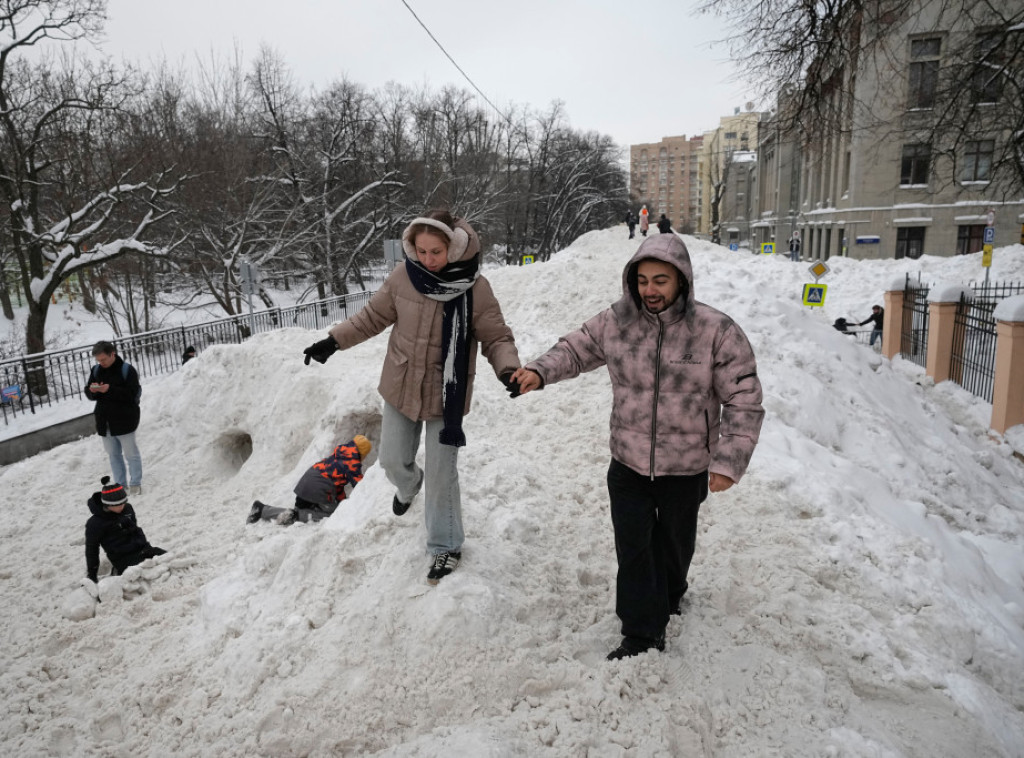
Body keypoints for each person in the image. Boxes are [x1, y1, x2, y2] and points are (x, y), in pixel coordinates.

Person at [511, 233, 764, 660]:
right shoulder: (617, 323)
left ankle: (671, 590)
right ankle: (642, 632)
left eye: (661, 280)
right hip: (627, 460)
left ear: (681, 280)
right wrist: (539, 371)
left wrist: (729, 460)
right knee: (634, 547)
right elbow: (575, 349)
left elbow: (743, 397)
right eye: (643, 280)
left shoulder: (715, 331)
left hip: (686, 466)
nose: (651, 290)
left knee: (675, 542)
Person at [302, 209, 522, 584]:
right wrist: (333, 341)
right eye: (421, 251)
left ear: (452, 248)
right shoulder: (404, 277)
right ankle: (408, 485)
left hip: (445, 394)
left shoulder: (475, 287)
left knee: (442, 474)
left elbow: (497, 337)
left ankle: (446, 545)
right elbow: (371, 317)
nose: (428, 260)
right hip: (401, 384)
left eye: (435, 252)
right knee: (391, 461)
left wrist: (508, 369)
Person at [247, 436, 372, 525]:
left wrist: (342, 502)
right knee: (334, 515)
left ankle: (262, 510)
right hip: (316, 491)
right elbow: (362, 487)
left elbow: (337, 486)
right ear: (362, 452)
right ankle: (299, 515)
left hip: (306, 484)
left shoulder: (339, 454)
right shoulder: (352, 463)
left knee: (332, 508)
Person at [84, 341, 143, 495]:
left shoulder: (127, 370)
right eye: (98, 360)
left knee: (131, 454)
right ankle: (120, 484)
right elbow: (89, 392)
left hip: (125, 420)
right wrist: (93, 391)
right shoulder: (96, 370)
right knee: (113, 455)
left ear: (112, 354)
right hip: (104, 421)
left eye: (103, 359)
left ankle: (135, 483)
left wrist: (109, 389)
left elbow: (131, 394)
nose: (100, 363)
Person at [85, 477, 165, 584]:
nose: (121, 507)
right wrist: (92, 575)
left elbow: (134, 529)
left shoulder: (127, 508)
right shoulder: (95, 523)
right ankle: (118, 571)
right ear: (107, 504)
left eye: (123, 503)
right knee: (146, 571)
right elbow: (92, 550)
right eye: (117, 505)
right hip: (122, 558)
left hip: (144, 549)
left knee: (166, 558)